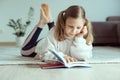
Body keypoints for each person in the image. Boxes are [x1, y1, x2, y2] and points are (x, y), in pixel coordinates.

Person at [21, 4, 93, 63]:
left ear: (84, 25)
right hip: (43, 44)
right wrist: (62, 56)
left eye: (78, 28)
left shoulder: (84, 36)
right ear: (63, 23)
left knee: (55, 32)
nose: (74, 31)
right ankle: (42, 22)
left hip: (55, 38)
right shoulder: (53, 32)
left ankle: (50, 21)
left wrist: (79, 39)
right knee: (24, 51)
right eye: (70, 26)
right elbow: (46, 53)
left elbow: (82, 57)